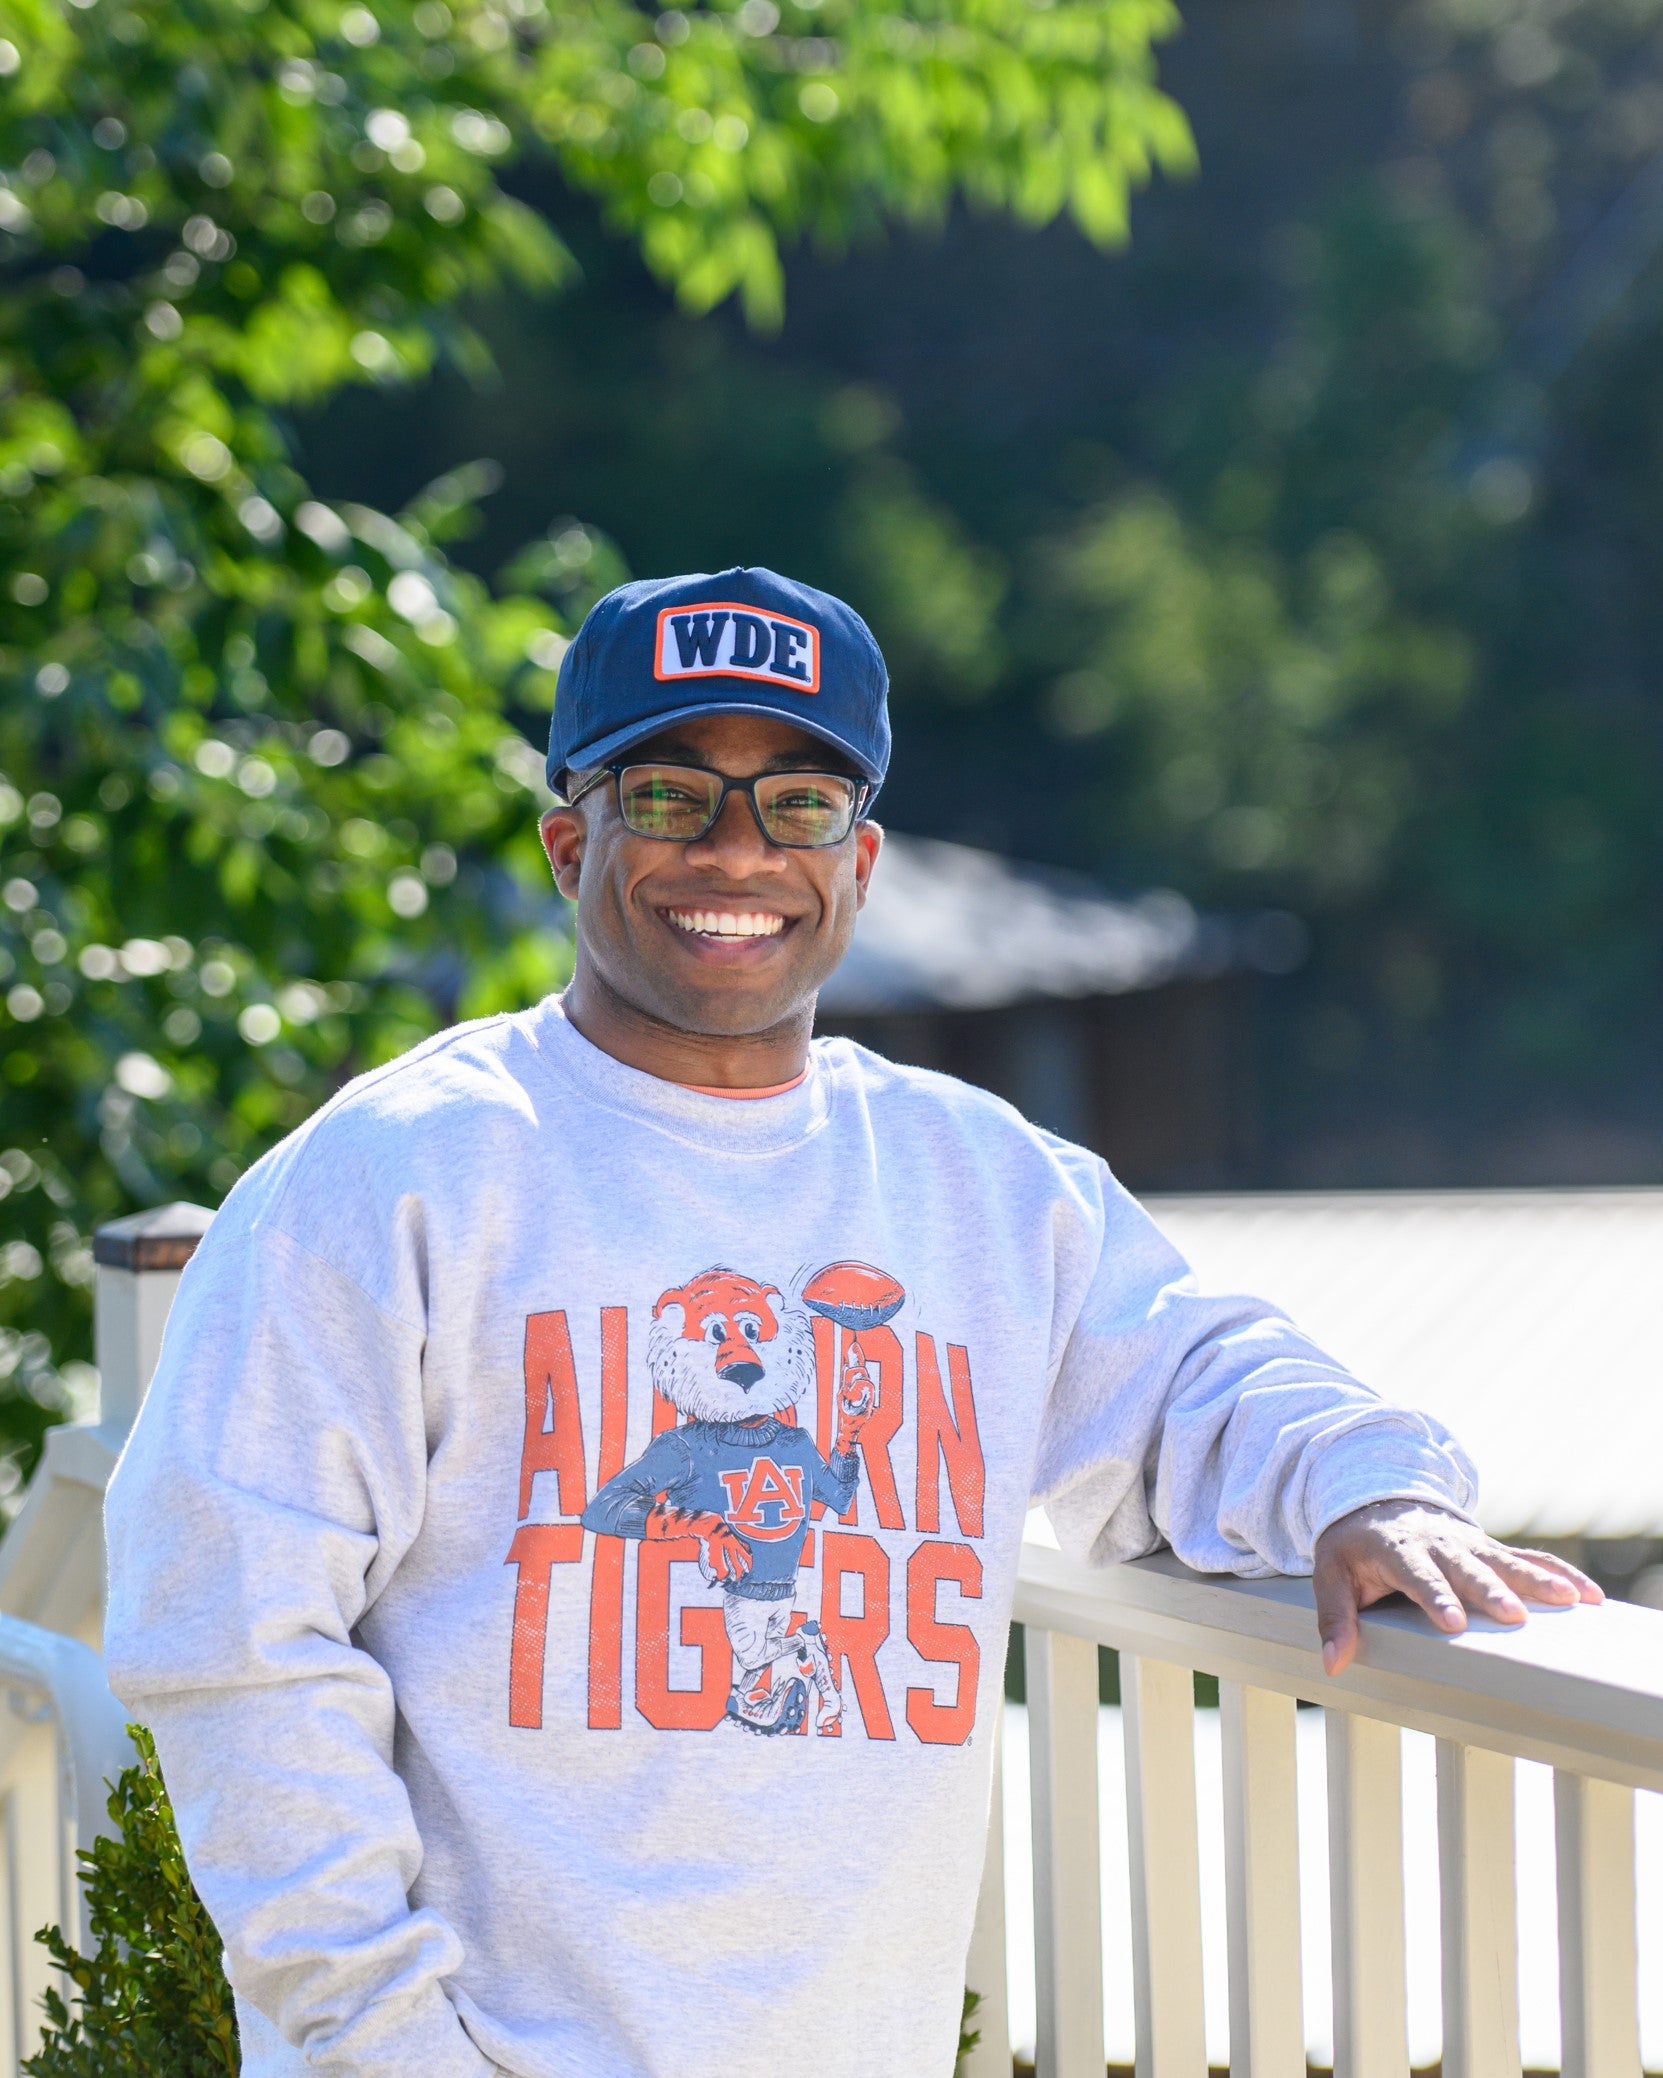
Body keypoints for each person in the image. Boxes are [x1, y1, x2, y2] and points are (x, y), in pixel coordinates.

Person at [103, 567, 1600, 2078]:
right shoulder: (396, 1172)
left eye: (799, 803)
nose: (738, 851)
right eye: (674, 795)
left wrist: (1369, 1484)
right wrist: (396, 2046)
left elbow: (1198, 1374)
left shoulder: (985, 1188)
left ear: (862, 858)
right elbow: (229, 1629)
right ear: (574, 841)